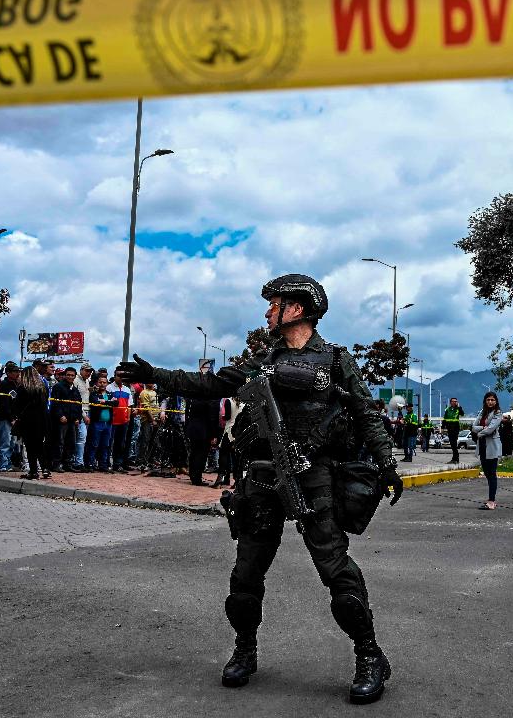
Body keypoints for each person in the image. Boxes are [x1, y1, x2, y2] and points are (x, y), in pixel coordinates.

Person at [117, 273, 404, 704]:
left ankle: (370, 656)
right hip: (263, 476)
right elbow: (210, 385)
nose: (268, 310)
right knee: (246, 574)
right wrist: (154, 375)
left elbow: (365, 413)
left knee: (335, 570)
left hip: (314, 475)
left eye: (275, 303)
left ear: (298, 309)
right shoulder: (259, 360)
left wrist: (386, 463)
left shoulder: (337, 361)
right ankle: (244, 651)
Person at [13, 360, 53, 479]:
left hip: (28, 421)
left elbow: (16, 405)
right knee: (40, 445)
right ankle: (45, 469)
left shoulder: (23, 388)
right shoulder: (42, 388)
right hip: (42, 420)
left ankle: (33, 471)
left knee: (30, 447)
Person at [185, 368, 222, 486]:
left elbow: (187, 413)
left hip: (193, 428)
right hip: (204, 431)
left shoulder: (194, 395)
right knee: (201, 454)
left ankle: (193, 475)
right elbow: (212, 417)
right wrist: (214, 434)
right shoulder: (211, 397)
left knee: (194, 453)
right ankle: (197, 478)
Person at [471, 392, 503, 509]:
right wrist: (484, 428)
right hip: (482, 447)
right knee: (487, 474)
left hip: (492, 447)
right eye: (488, 399)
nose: (490, 402)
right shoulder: (482, 412)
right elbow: (473, 426)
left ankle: (491, 501)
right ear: (485, 401)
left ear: (496, 401)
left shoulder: (498, 413)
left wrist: (480, 433)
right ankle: (492, 498)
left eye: (492, 400)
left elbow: (491, 429)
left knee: (492, 474)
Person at [0, 362, 21, 472]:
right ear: (8, 373)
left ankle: (7, 463)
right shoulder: (5, 384)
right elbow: (4, 404)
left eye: (18, 371)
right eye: (15, 371)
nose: (17, 373)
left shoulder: (16, 384)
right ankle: (1, 464)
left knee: (12, 442)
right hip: (4, 417)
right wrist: (11, 418)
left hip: (14, 417)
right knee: (5, 442)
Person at [51, 366, 83, 472]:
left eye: (72, 375)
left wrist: (78, 418)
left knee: (71, 443)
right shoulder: (58, 387)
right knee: (59, 442)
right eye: (68, 375)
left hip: (72, 421)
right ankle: (56, 464)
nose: (70, 377)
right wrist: (60, 415)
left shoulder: (75, 389)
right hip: (61, 420)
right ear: (65, 375)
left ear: (75, 376)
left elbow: (78, 405)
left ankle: (67, 464)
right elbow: (55, 403)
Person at [106, 372, 134, 472]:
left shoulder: (127, 389)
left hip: (124, 420)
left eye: (123, 376)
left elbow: (129, 405)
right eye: (119, 375)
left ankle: (117, 464)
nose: (121, 378)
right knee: (109, 442)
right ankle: (107, 464)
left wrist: (128, 417)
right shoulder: (109, 387)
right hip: (112, 420)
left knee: (120, 443)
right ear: (115, 376)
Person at [87, 375, 114, 472]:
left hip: (108, 424)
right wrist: (108, 403)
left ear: (107, 384)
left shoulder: (110, 394)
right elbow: (94, 402)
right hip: (97, 423)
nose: (102, 384)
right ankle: (91, 464)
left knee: (105, 445)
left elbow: (116, 403)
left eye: (104, 382)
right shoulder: (94, 394)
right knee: (94, 444)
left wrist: (103, 402)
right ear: (97, 383)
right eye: (100, 382)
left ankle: (103, 465)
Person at [443, 397, 464, 464]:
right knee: (452, 444)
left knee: (454, 444)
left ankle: (455, 458)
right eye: (453, 401)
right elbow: (445, 419)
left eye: (456, 401)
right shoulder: (447, 410)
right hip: (449, 429)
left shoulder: (458, 409)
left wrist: (459, 407)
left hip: (455, 428)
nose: (455, 402)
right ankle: (455, 458)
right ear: (450, 402)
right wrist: (443, 427)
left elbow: (462, 414)